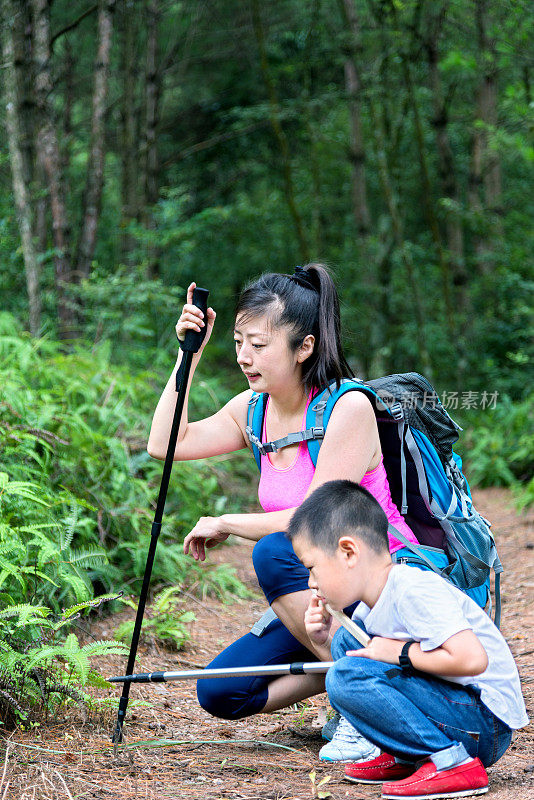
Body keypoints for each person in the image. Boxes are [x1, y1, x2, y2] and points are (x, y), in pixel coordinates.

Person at [147, 263, 420, 760]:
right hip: (325, 598)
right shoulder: (253, 408)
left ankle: (366, 703)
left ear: (305, 347)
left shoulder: (348, 408)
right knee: (222, 691)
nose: (244, 357)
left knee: (277, 551)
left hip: (385, 588)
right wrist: (189, 358)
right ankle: (349, 677)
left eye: (259, 344)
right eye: (237, 342)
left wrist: (228, 522)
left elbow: (312, 519)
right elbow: (166, 443)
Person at [287, 479, 528, 799]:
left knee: (344, 675)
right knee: (347, 645)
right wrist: (319, 638)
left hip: (485, 723)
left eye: (313, 568)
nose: (311, 583)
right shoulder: (371, 606)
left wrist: (399, 652)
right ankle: (410, 754)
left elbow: (472, 659)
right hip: (457, 710)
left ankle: (451, 763)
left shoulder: (413, 589)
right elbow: (365, 671)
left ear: (348, 551)